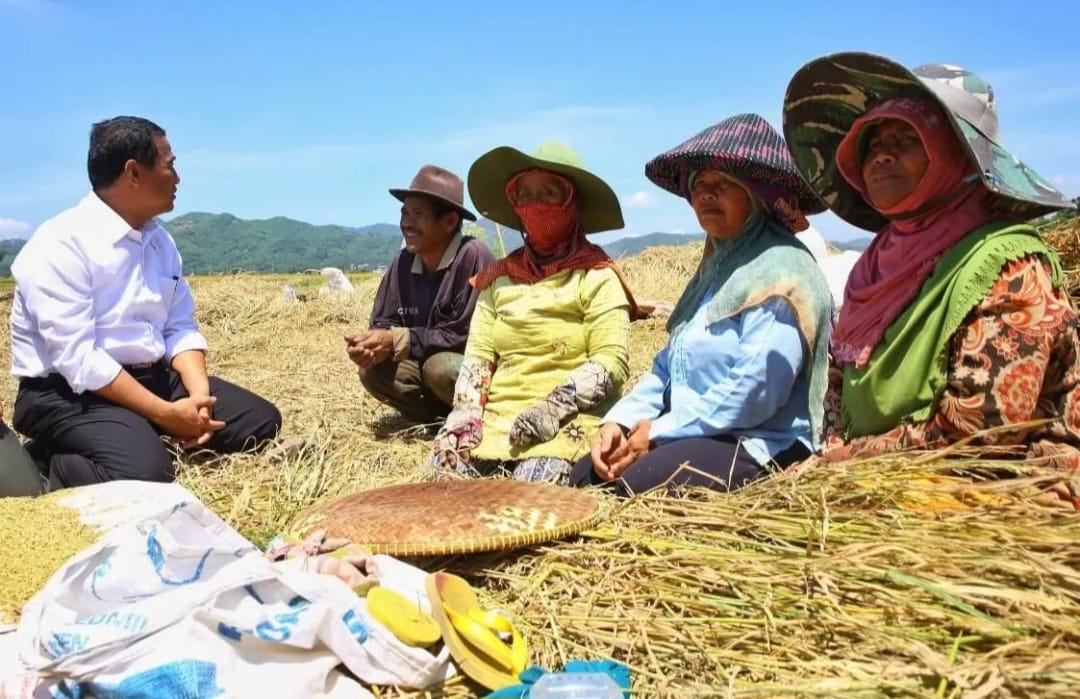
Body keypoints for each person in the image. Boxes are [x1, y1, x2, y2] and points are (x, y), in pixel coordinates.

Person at [782, 53, 1080, 485]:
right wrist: (830, 458)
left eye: (906, 138)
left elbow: (980, 436)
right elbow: (838, 389)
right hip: (878, 478)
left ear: (955, 155)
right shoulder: (874, 269)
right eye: (873, 143)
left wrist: (840, 466)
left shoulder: (1009, 266)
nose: (881, 155)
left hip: (1007, 488)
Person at [8, 116, 281, 490]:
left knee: (260, 422)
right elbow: (79, 359)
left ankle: (138, 433)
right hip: (66, 393)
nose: (178, 177)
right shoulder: (59, 244)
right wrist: (167, 415)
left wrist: (199, 398)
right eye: (169, 165)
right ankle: (51, 462)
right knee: (146, 474)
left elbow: (179, 327)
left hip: (148, 378)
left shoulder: (160, 241)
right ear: (133, 172)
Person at [569, 114, 833, 496]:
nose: (707, 193)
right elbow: (666, 368)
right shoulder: (714, 273)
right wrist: (620, 423)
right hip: (692, 430)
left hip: (760, 441)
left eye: (724, 184)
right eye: (700, 184)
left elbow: (755, 392)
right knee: (583, 477)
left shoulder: (784, 273)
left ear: (756, 194)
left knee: (627, 488)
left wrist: (660, 431)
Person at [431, 142, 640, 484]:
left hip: (569, 419)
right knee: (437, 485)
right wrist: (465, 413)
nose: (535, 204)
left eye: (549, 193)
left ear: (572, 202)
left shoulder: (597, 275)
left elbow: (611, 361)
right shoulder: (497, 278)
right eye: (525, 194)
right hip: (496, 420)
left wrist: (552, 408)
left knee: (530, 498)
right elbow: (479, 355)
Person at [348, 165, 495, 424]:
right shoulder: (403, 263)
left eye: (417, 214)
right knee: (372, 372)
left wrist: (396, 340)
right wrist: (372, 345)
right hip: (426, 369)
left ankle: (482, 418)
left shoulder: (472, 257)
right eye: (404, 213)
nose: (406, 223)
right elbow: (384, 321)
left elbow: (461, 336)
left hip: (467, 369)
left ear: (449, 222)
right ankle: (437, 421)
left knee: (440, 368)